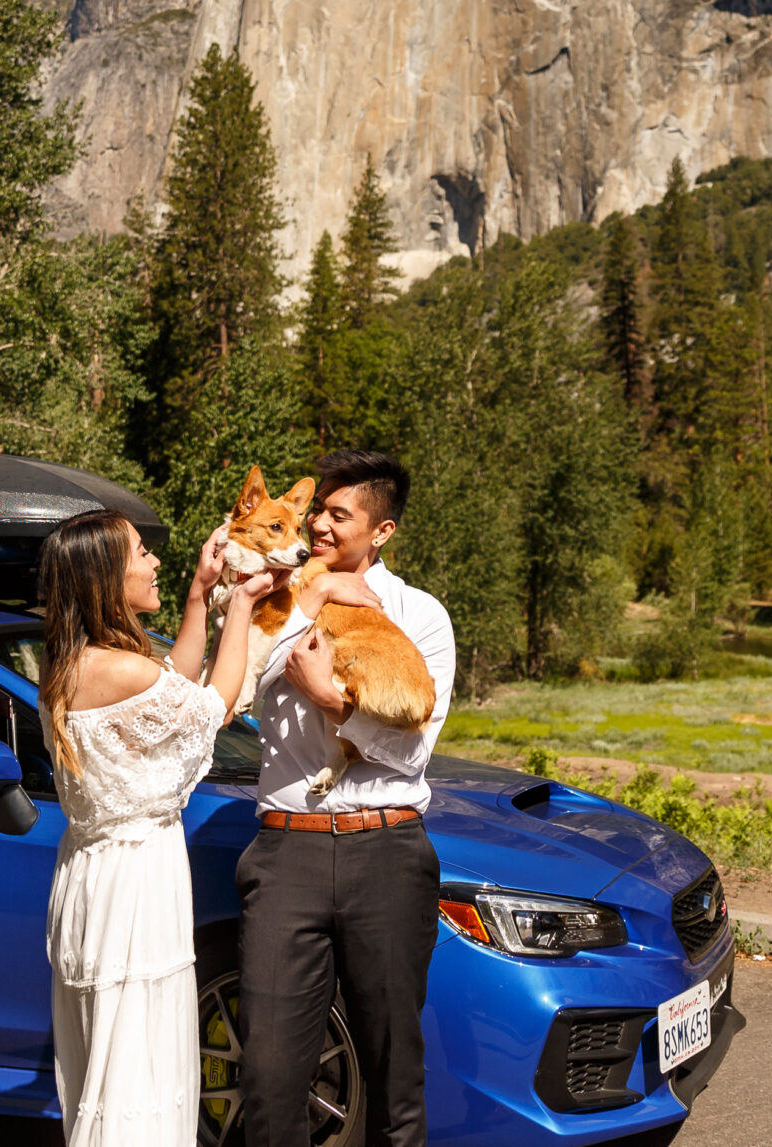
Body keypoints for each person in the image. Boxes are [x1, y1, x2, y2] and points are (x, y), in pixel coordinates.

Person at [236, 449, 454, 1147]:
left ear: (382, 531)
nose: (320, 524)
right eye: (317, 510)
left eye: (339, 512)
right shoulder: (271, 595)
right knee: (269, 1081)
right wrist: (312, 598)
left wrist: (329, 699)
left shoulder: (420, 615)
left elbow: (410, 746)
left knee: (394, 1079)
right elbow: (236, 686)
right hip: (287, 850)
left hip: (386, 850)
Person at [38, 508, 273, 1147]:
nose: (154, 563)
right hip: (133, 882)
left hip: (97, 872)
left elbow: (176, 680)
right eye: (142, 553)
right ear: (106, 578)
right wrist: (243, 601)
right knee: (134, 1064)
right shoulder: (116, 671)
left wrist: (199, 594)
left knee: (113, 1059)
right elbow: (213, 704)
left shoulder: (78, 662)